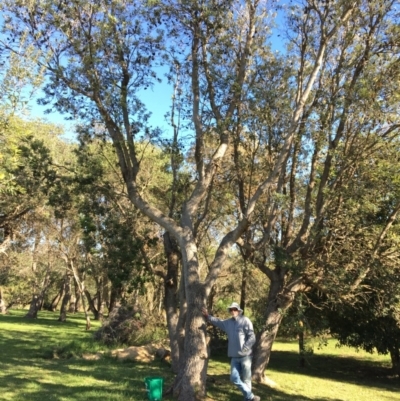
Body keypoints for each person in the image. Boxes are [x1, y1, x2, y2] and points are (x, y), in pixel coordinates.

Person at [202, 302, 260, 401]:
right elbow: (218, 322)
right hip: (234, 356)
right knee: (233, 378)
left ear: (239, 311)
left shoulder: (245, 320)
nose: (233, 311)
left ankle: (248, 399)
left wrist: (245, 347)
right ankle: (251, 396)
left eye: (235, 309)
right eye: (231, 310)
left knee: (246, 380)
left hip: (246, 356)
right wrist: (207, 316)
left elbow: (252, 337)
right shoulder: (227, 323)